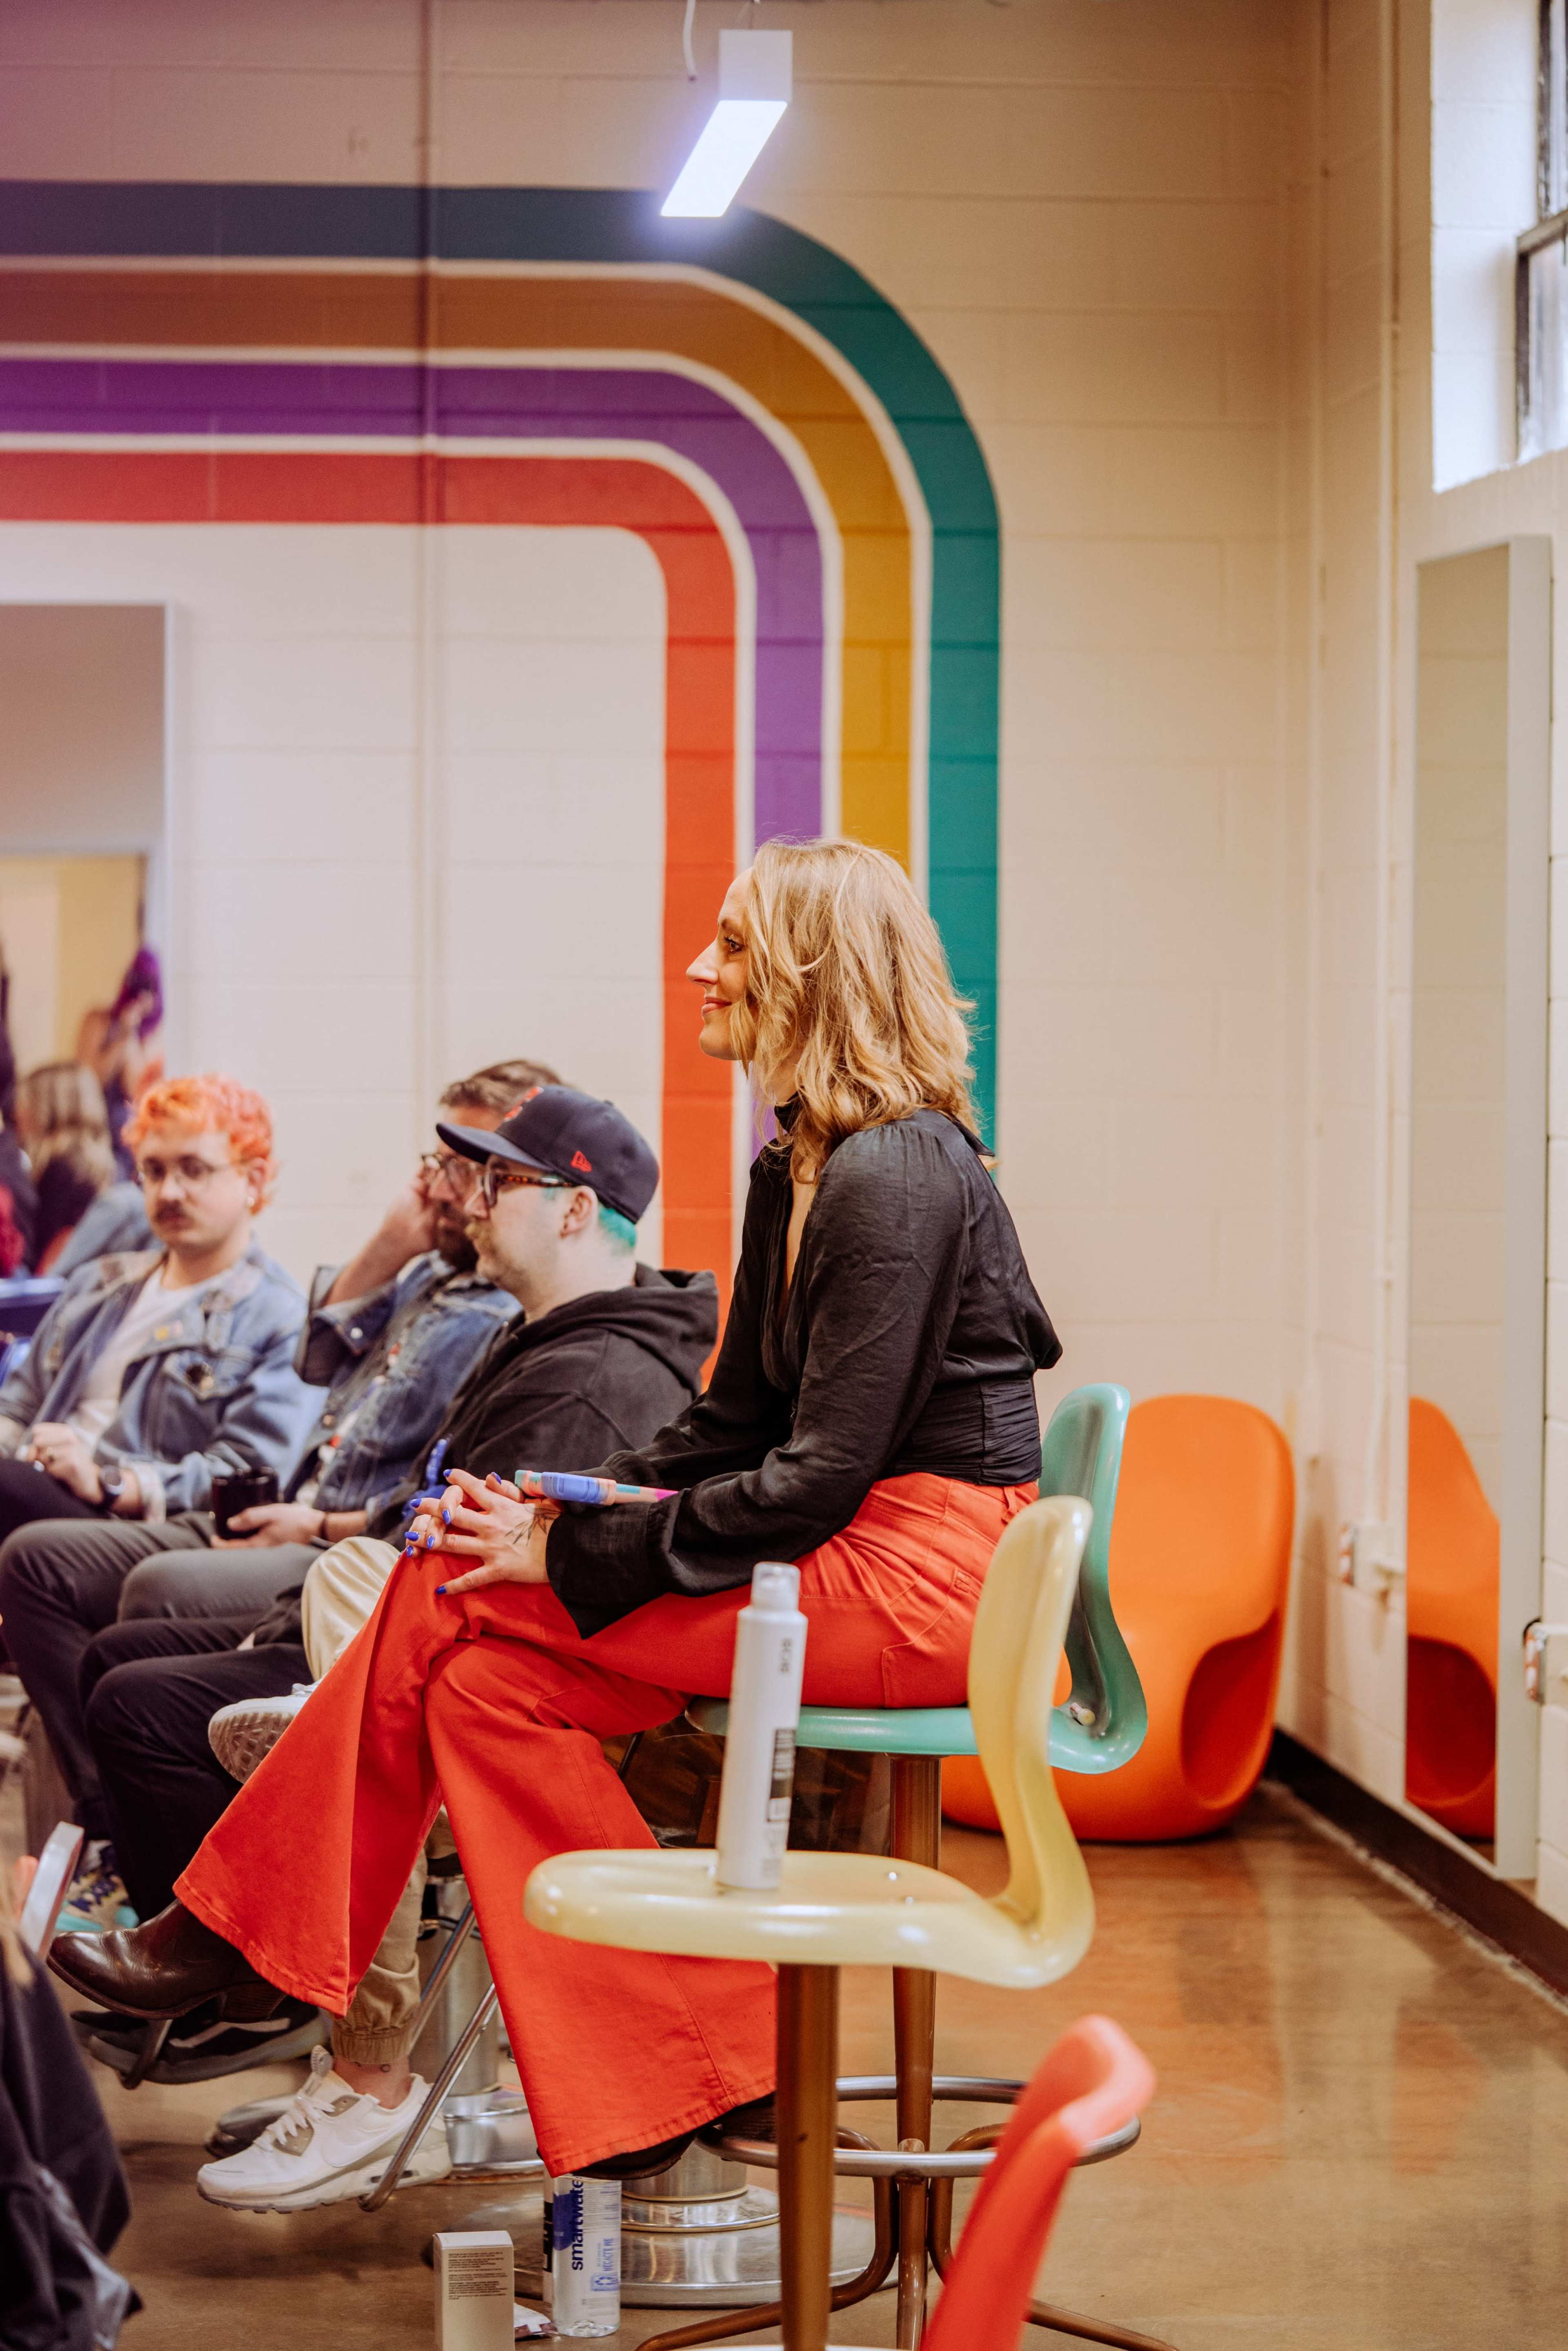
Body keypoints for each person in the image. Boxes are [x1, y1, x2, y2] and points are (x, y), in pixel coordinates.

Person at [49, 840, 1062, 2191]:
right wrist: (546, 1499)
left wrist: (568, 1546)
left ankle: (232, 1932)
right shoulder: (798, 1166)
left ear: (813, 971)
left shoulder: (895, 1174)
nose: (704, 967)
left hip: (924, 1580)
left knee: (454, 1593)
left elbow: (815, 1475)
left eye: (738, 944)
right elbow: (731, 1428)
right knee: (473, 1666)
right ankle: (685, 2064)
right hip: (848, 1549)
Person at [73, 1091, 715, 2195]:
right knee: (330, 1600)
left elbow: (500, 1567)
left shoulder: (604, 1372)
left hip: (537, 1686)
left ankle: (359, 2060)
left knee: (331, 1613)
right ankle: (308, 1975)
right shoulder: (544, 1334)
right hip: (436, 1639)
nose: (469, 1197)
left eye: (499, 1181)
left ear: (572, 1209)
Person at [0, 1060, 555, 1933]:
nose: (449, 1188)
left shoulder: (497, 1311)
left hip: (330, 1536)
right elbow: (322, 1357)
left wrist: (121, 1477)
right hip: (293, 1514)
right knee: (54, 1568)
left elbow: (400, 1477)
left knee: (135, 1594)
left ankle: (181, 1904)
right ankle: (141, 1870)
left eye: (474, 1165)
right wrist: (393, 1238)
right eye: (440, 1161)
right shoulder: (415, 1279)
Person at [13, 1063, 117, 1272]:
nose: (18, 1113)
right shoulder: (103, 1163)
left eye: (27, 1101)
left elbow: (39, 1247)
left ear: (48, 1107)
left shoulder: (60, 1167)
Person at [76, 947, 163, 1181]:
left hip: (127, 1136)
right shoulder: (98, 1021)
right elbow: (89, 1079)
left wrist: (133, 1034)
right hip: (92, 1126)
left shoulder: (156, 1037)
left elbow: (135, 1090)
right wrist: (123, 1034)